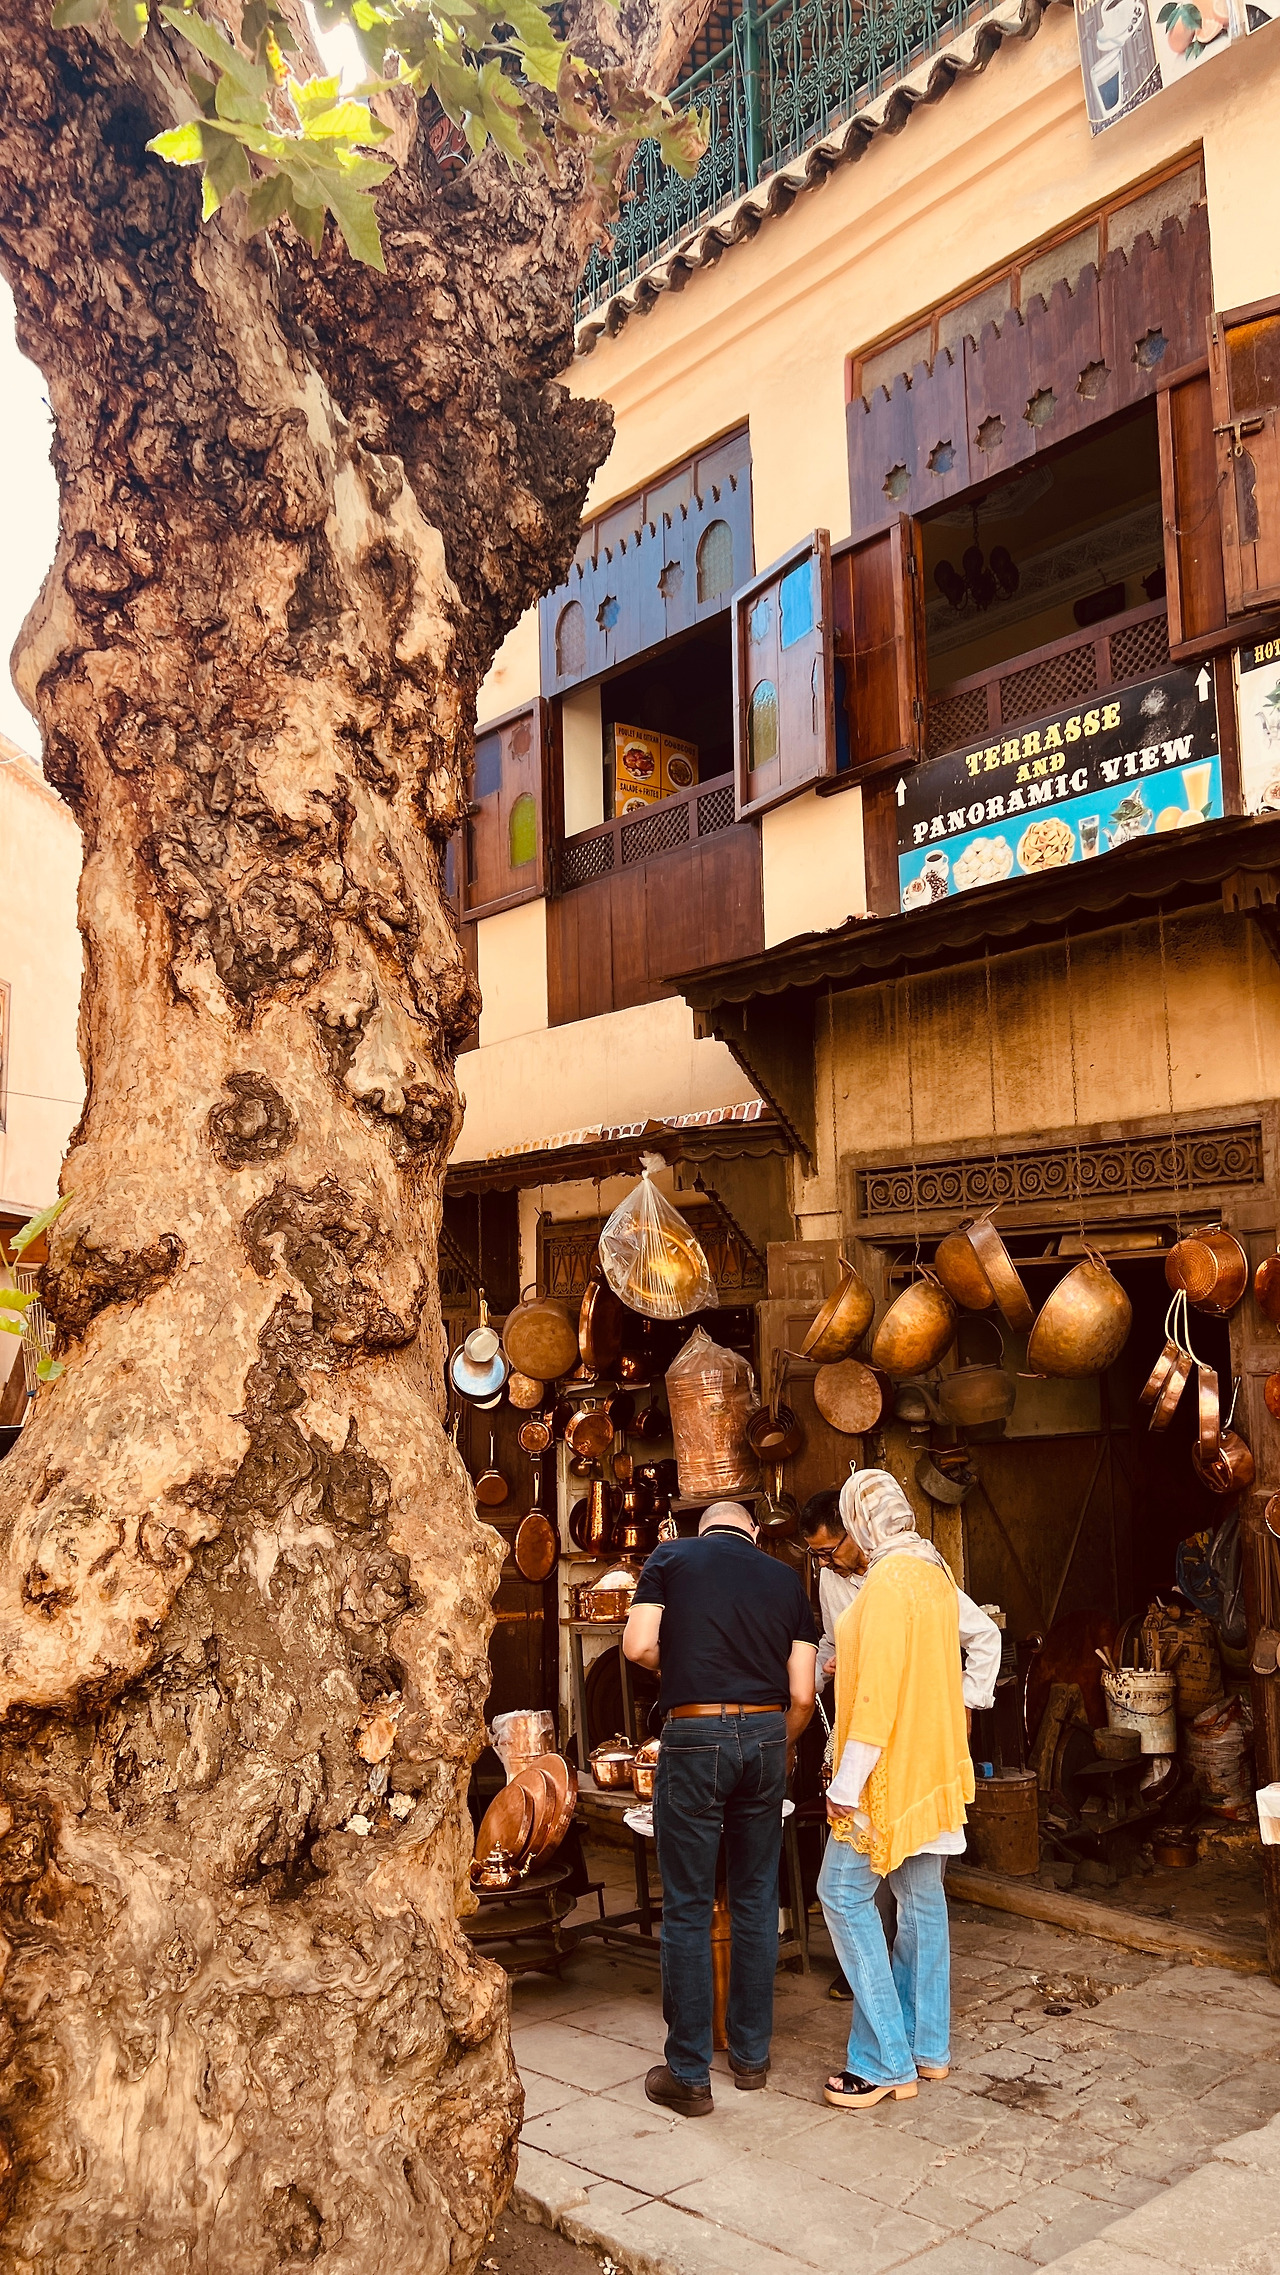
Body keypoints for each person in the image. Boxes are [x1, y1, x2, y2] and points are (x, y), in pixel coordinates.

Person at [623, 1499, 819, 2117]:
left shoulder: (669, 1558)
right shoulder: (786, 1579)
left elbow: (636, 1647)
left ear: (702, 1529)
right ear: (753, 1532)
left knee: (687, 1903)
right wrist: (776, 1742)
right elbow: (802, 1694)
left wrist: (684, 1662)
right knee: (756, 1896)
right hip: (766, 1736)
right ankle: (751, 2057)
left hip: (695, 1734)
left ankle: (688, 2074)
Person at [817, 1469, 999, 2112]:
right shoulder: (931, 1571)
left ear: (859, 1523)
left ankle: (883, 2061)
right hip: (933, 1767)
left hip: (889, 1775)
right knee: (921, 1901)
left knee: (840, 1895)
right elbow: (978, 1641)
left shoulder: (889, 1583)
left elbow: (878, 1697)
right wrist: (963, 1702)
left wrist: (846, 1783)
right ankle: (927, 2047)